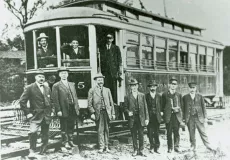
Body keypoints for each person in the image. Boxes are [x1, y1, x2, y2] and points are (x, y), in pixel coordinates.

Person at [19, 69, 54, 158]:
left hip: (46, 115)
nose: (41, 78)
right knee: (33, 132)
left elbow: (51, 101)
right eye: (39, 76)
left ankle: (43, 151)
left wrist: (52, 111)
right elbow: (22, 101)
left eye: (43, 77)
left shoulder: (47, 88)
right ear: (35, 77)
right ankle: (32, 151)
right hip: (35, 115)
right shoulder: (30, 87)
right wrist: (27, 113)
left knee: (45, 134)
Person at [182, 82, 216, 153]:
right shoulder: (185, 97)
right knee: (191, 133)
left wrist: (205, 117)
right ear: (189, 88)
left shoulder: (200, 96)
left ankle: (208, 146)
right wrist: (183, 119)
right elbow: (183, 108)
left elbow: (204, 107)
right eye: (191, 88)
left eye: (193, 88)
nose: (192, 89)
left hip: (199, 118)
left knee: (203, 132)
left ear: (195, 88)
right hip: (189, 118)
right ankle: (193, 146)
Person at [51, 67, 80, 150]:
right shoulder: (56, 85)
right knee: (64, 126)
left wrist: (77, 107)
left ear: (67, 74)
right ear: (59, 75)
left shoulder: (72, 84)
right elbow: (55, 100)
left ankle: (71, 141)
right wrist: (58, 110)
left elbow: (75, 97)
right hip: (63, 109)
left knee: (71, 125)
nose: (64, 75)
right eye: (62, 73)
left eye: (65, 73)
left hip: (72, 108)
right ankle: (65, 142)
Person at [88, 73, 115, 153]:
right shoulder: (92, 90)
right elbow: (89, 103)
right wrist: (92, 113)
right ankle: (101, 146)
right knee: (100, 130)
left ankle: (106, 146)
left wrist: (113, 113)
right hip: (98, 113)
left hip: (107, 112)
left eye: (101, 80)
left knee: (107, 130)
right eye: (99, 80)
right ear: (96, 81)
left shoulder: (107, 90)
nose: (100, 81)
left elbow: (111, 102)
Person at [124, 78, 149, 157]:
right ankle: (135, 150)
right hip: (132, 119)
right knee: (134, 135)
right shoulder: (127, 96)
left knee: (141, 135)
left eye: (135, 85)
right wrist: (128, 112)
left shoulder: (142, 95)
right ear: (130, 87)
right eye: (132, 86)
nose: (134, 87)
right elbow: (124, 108)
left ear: (137, 86)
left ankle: (141, 150)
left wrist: (147, 118)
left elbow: (145, 107)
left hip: (140, 118)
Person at [162, 77, 184, 153]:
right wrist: (164, 115)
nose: (173, 85)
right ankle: (170, 148)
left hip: (176, 117)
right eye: (172, 84)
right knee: (169, 133)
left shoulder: (179, 95)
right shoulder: (165, 94)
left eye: (175, 84)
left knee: (176, 132)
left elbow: (182, 106)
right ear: (169, 85)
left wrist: (181, 116)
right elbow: (162, 106)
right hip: (169, 117)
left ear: (176, 85)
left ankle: (176, 147)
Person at [100, 33, 122, 102]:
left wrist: (119, 70)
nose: (109, 40)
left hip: (113, 72)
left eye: (110, 38)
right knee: (105, 87)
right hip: (105, 72)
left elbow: (119, 59)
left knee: (113, 88)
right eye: (107, 38)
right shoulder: (102, 48)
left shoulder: (116, 48)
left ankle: (114, 102)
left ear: (113, 39)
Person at [146, 80, 162, 154]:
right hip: (149, 117)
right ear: (149, 88)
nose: (153, 88)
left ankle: (157, 147)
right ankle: (152, 146)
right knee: (149, 133)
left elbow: (161, 105)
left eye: (154, 86)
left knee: (156, 132)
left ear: (156, 87)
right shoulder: (146, 96)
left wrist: (161, 112)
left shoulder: (159, 96)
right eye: (151, 86)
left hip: (156, 117)